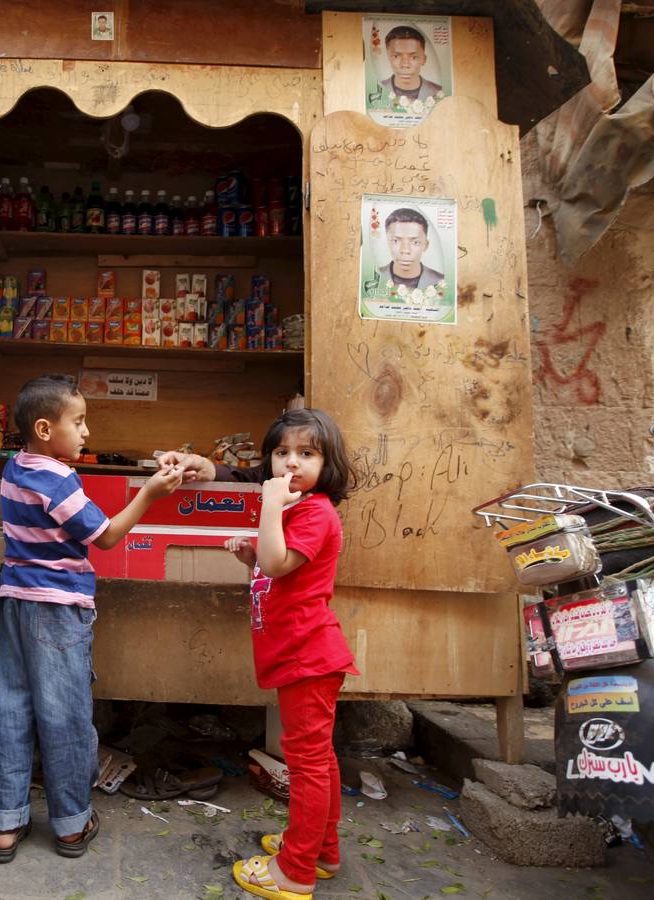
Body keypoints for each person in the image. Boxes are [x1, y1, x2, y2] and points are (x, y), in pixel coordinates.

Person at [0, 375, 182, 862]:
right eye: (78, 422)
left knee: (11, 710)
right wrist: (149, 493)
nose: (87, 432)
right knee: (65, 717)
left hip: (13, 604)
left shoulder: (14, 467)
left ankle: (5, 825)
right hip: (57, 611)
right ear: (45, 429)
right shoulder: (58, 478)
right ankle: (72, 824)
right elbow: (107, 536)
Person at [222, 409, 358, 900]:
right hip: (298, 655)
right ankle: (322, 850)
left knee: (307, 766)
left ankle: (295, 870)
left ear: (328, 464)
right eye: (281, 453)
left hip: (308, 657)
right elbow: (276, 569)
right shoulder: (296, 513)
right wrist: (252, 558)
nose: (291, 463)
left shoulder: (314, 511)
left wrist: (268, 505)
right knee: (318, 760)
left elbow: (278, 562)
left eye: (307, 453)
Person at [378, 207, 444, 294]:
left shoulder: (441, 281)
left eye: (415, 242)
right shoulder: (374, 277)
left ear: (426, 245)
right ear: (388, 243)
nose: (405, 250)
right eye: (396, 241)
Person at [377, 25, 442, 104]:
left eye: (413, 57)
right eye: (396, 56)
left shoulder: (438, 91)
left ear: (424, 59)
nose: (405, 65)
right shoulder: (379, 89)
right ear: (388, 58)